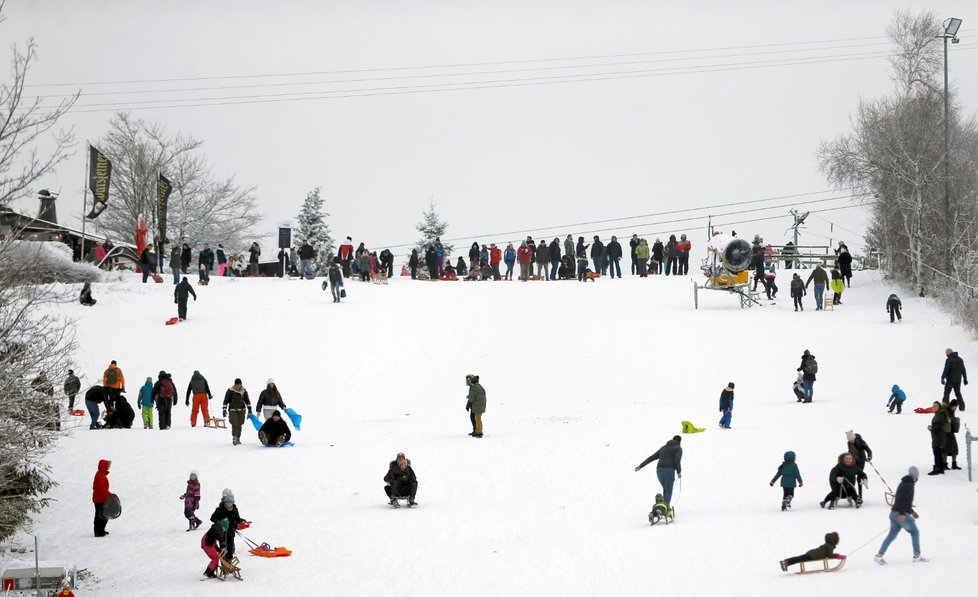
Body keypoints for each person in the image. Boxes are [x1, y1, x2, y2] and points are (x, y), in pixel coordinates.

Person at [874, 466, 927, 564]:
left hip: (894, 513)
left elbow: (903, 500)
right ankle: (917, 555)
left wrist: (911, 512)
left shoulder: (904, 483)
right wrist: (902, 513)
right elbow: (902, 500)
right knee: (914, 532)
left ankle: (879, 556)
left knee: (892, 535)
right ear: (916, 476)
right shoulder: (909, 485)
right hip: (900, 513)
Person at [635, 436, 683, 512]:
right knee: (669, 491)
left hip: (659, 470)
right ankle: (664, 509)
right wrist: (679, 471)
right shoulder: (678, 448)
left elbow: (652, 457)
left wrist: (641, 466)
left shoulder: (663, 448)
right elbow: (677, 460)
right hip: (669, 471)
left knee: (666, 489)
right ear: (680, 441)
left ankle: (662, 507)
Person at [209, 492, 244, 558]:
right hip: (221, 533)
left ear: (233, 503)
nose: (228, 504)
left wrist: (238, 521)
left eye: (230, 502)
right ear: (225, 502)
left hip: (231, 532)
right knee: (223, 550)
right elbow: (212, 518)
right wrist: (219, 522)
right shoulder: (219, 509)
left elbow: (237, 519)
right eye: (227, 502)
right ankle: (224, 566)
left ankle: (229, 566)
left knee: (230, 551)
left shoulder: (235, 510)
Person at [223, 378, 252, 446]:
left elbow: (247, 400)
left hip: (242, 410)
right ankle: (234, 437)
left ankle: (238, 438)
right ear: (235, 384)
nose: (239, 385)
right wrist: (224, 409)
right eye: (237, 384)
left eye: (240, 384)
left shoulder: (244, 391)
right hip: (233, 410)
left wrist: (249, 409)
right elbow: (226, 400)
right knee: (235, 423)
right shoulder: (230, 391)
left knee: (240, 424)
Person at [846, 430, 872, 502]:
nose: (851, 441)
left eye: (852, 440)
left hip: (861, 461)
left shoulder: (861, 442)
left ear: (854, 438)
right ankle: (852, 494)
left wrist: (869, 458)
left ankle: (860, 496)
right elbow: (850, 451)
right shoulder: (849, 443)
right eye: (849, 440)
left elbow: (869, 450)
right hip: (853, 461)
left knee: (859, 477)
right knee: (851, 476)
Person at [927, 401, 950, 475]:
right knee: (938, 453)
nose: (934, 407)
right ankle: (940, 468)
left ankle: (937, 469)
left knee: (936, 452)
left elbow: (940, 425)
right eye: (933, 406)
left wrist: (932, 427)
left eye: (936, 406)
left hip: (939, 437)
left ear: (939, 407)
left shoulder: (940, 414)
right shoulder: (939, 414)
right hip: (937, 437)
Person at [92, 459, 111, 537]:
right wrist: (109, 494)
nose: (109, 467)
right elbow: (101, 488)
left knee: (101, 515)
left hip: (100, 498)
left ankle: (100, 530)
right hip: (100, 499)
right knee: (101, 516)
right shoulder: (101, 476)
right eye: (108, 465)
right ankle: (99, 532)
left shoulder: (100, 474)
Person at [946, 400, 962, 471]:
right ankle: (945, 464)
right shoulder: (947, 411)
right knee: (946, 449)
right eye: (954, 407)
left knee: (954, 449)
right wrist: (955, 420)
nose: (955, 408)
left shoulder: (951, 411)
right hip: (947, 433)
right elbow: (948, 420)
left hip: (951, 432)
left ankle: (954, 463)